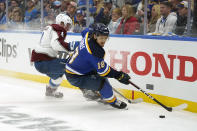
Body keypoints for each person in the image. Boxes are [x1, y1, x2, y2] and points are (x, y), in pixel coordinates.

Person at [65, 23, 131, 109]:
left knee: (99, 74)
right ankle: (112, 101)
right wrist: (119, 75)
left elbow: (84, 31)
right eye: (101, 38)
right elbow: (104, 71)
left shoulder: (89, 34)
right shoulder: (95, 51)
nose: (103, 40)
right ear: (95, 36)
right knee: (103, 84)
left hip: (77, 68)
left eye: (105, 38)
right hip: (76, 77)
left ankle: (88, 90)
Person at [31, 13, 75, 98]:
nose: (68, 27)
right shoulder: (58, 29)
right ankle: (87, 90)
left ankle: (50, 90)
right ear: (61, 23)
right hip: (45, 61)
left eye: (69, 25)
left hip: (40, 62)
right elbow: (55, 44)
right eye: (67, 24)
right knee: (71, 65)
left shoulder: (51, 28)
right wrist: (69, 50)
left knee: (58, 77)